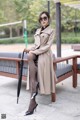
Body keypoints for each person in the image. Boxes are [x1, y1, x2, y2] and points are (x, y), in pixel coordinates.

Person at [24, 11, 56, 116]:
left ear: (48, 19)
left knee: (34, 58)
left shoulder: (52, 30)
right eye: (41, 19)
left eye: (45, 18)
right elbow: (35, 45)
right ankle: (35, 84)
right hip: (36, 52)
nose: (43, 20)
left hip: (45, 54)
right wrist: (29, 49)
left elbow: (47, 46)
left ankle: (32, 102)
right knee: (29, 56)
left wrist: (34, 52)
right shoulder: (37, 30)